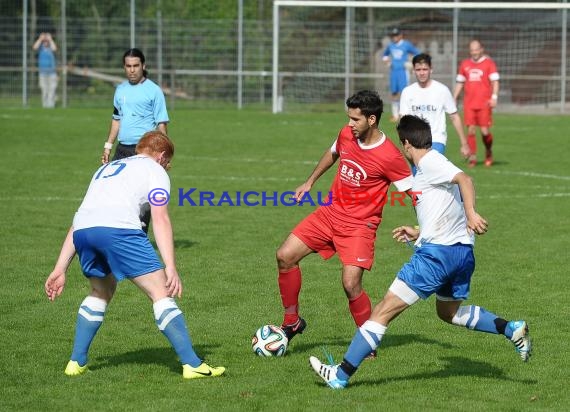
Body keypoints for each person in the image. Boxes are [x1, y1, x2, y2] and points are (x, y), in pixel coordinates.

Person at [309, 115, 531, 390]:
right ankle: (511, 329)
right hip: (461, 253)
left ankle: (340, 376)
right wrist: (418, 230)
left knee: (382, 311)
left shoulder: (429, 161)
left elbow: (465, 178)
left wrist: (472, 212)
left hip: (436, 257)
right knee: (448, 313)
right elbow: (443, 204)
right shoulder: (428, 169)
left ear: (405, 144)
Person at [44, 131, 225, 380]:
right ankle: (192, 364)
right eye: (168, 162)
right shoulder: (156, 170)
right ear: (161, 156)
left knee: (100, 291)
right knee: (161, 292)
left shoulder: (106, 169)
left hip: (84, 232)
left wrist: (59, 268)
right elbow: (160, 218)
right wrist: (170, 266)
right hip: (119, 231)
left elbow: (81, 219)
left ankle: (76, 362)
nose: (168, 167)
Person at [275, 90, 413, 354]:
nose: (350, 124)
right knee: (285, 256)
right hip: (329, 213)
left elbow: (415, 194)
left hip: (360, 226)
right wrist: (309, 181)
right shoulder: (347, 134)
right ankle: (291, 322)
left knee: (351, 284)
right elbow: (333, 153)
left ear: (372, 120)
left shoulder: (390, 156)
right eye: (348, 118)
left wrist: (422, 229)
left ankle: (367, 344)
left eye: (355, 119)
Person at [399, 53, 470, 165]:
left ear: (431, 69)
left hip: (436, 140)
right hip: (414, 142)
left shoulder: (442, 90)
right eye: (418, 69)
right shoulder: (407, 92)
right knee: (420, 178)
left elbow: (454, 116)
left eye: (425, 69)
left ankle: (455, 181)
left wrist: (464, 144)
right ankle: (453, 182)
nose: (422, 73)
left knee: (430, 169)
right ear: (413, 70)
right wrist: (404, 143)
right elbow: (403, 120)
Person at [102, 48, 169, 164]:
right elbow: (116, 120)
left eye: (136, 65)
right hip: (122, 149)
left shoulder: (154, 90)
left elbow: (161, 123)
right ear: (124, 67)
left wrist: (165, 153)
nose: (132, 70)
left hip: (145, 150)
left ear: (143, 66)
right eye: (128, 66)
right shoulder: (120, 89)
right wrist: (108, 147)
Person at [453, 39, 500, 167]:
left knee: (485, 132)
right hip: (469, 103)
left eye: (476, 49)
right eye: (472, 50)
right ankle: (473, 157)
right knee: (471, 131)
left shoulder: (489, 63)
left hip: (484, 104)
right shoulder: (465, 64)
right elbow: (460, 82)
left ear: (481, 49)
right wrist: (454, 97)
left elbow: (495, 82)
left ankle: (488, 151)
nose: (474, 52)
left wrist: (494, 97)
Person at [381, 28, 420, 122]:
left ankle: (404, 114)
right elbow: (385, 55)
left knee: (404, 93)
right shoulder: (390, 45)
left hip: (403, 71)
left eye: (396, 35)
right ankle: (395, 115)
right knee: (394, 93)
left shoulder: (406, 44)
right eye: (393, 35)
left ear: (401, 35)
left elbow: (417, 53)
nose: (394, 37)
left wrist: (411, 63)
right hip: (394, 71)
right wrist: (386, 61)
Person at [32, 32, 58, 108]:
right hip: (42, 72)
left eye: (47, 40)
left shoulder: (51, 47)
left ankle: (51, 105)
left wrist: (50, 39)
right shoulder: (41, 48)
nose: (46, 41)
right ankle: (45, 104)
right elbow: (34, 47)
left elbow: (55, 48)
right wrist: (40, 39)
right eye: (45, 40)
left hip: (52, 72)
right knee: (44, 89)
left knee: (52, 89)